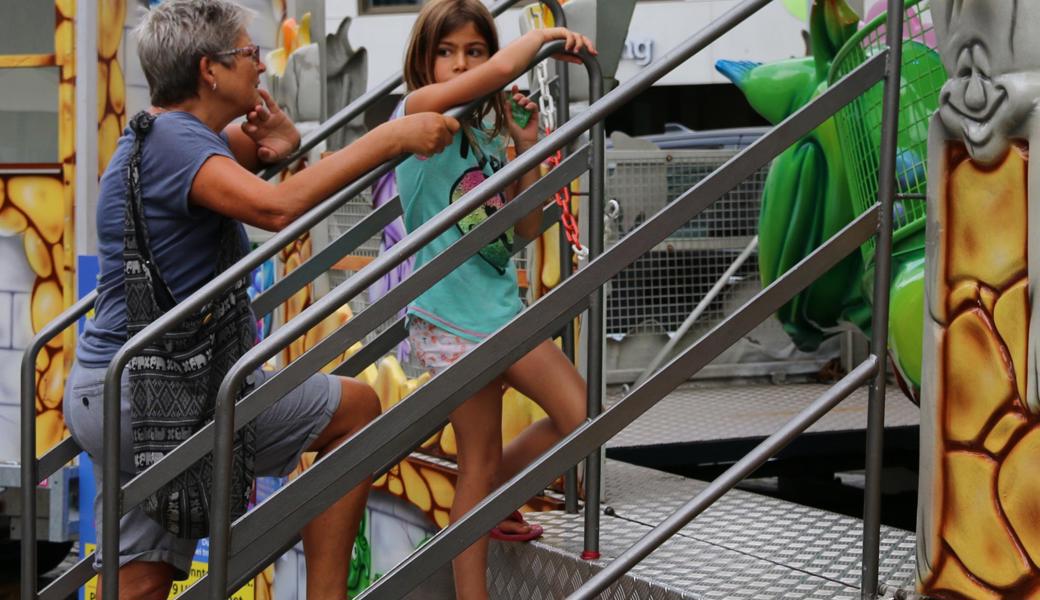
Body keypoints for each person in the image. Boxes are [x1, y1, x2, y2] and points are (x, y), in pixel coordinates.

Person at [62, 1, 458, 598]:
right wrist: (392, 136)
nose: (261, 68)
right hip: (159, 390)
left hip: (120, 387)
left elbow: (261, 163)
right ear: (210, 70)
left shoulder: (164, 137)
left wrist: (286, 141)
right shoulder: (177, 144)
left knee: (145, 580)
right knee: (354, 410)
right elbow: (277, 207)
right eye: (249, 54)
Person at [396, 1, 595, 597]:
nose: (460, 65)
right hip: (453, 319)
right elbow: (484, 82)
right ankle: (483, 539)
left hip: (495, 308)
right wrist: (538, 44)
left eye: (474, 51)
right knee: (570, 418)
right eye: (446, 52)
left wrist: (526, 145)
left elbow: (524, 227)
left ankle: (493, 504)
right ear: (424, 61)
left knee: (552, 432)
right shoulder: (414, 117)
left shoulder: (485, 134)